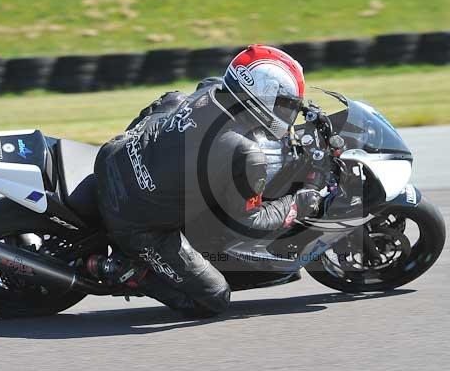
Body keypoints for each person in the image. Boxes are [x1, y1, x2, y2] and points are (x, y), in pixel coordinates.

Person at [93, 45, 323, 317]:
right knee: (214, 298)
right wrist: (295, 204)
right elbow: (249, 221)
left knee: (174, 98)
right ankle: (129, 271)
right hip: (135, 219)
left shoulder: (213, 89)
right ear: (259, 97)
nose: (287, 112)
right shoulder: (246, 153)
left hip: (115, 154)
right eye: (283, 104)